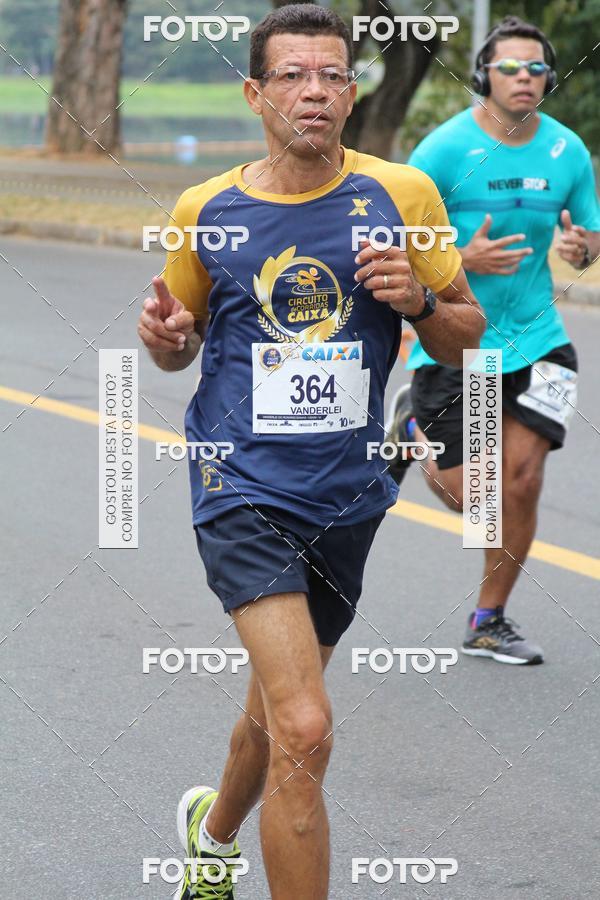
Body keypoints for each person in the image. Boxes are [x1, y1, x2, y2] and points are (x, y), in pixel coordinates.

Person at [137, 5, 483, 897]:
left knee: (275, 714)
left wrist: (416, 303)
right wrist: (166, 341)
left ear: (353, 89)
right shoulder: (203, 209)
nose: (314, 92)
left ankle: (210, 840)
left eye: (332, 74)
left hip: (347, 494)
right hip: (239, 483)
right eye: (292, 76)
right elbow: (178, 337)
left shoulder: (401, 196)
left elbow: (466, 336)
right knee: (306, 721)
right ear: (256, 93)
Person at [387, 16, 600, 666]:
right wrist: (458, 256)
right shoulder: (444, 151)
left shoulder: (567, 152)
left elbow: (590, 238)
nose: (526, 79)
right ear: (484, 74)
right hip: (459, 343)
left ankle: (489, 619)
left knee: (525, 482)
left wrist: (582, 249)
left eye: (536, 69)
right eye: (511, 67)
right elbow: (395, 242)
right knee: (474, 496)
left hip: (539, 339)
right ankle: (413, 424)